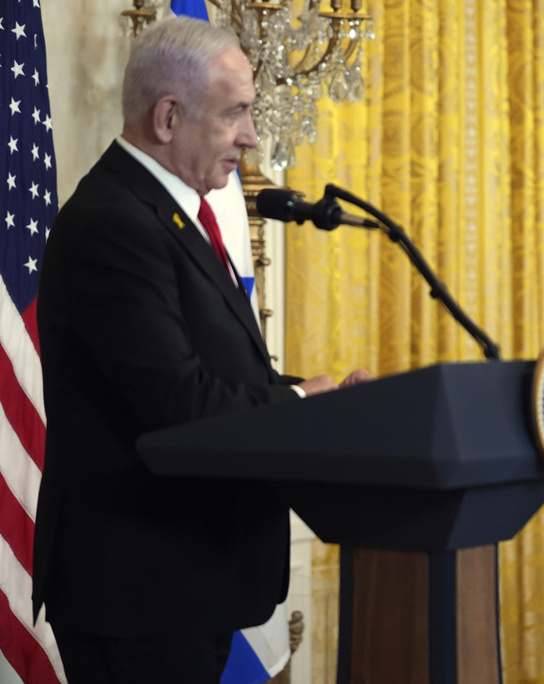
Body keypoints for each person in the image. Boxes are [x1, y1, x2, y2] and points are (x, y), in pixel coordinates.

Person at [32, 17, 370, 683]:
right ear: (167, 117)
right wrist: (304, 404)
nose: (250, 137)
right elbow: (178, 400)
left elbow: (225, 372)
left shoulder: (170, 214)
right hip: (136, 590)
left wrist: (320, 397)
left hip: (185, 579)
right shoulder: (112, 223)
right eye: (236, 113)